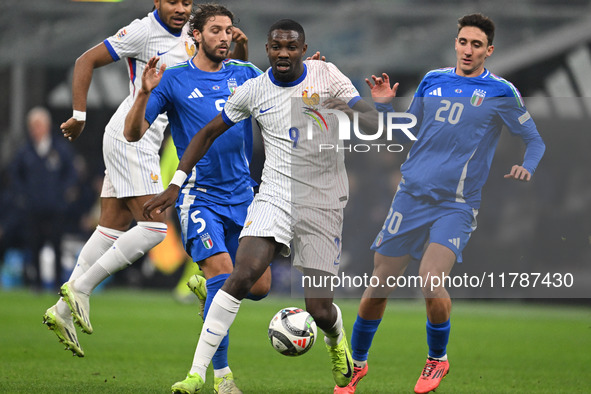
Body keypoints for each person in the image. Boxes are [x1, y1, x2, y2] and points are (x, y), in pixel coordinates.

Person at [143, 18, 383, 393]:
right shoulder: (254, 89)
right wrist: (176, 183)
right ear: (267, 50)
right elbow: (207, 133)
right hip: (273, 195)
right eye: (276, 47)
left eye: (290, 47)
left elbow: (367, 119)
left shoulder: (326, 74)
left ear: (303, 50)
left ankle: (337, 344)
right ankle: (197, 374)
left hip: (321, 201)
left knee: (319, 309)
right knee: (241, 276)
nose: (283, 53)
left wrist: (368, 108)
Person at [336, 13, 546, 394]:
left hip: (456, 204)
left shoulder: (501, 91)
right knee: (379, 284)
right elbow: (406, 130)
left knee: (430, 280)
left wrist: (526, 165)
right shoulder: (433, 80)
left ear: (489, 50)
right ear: (456, 43)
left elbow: (535, 140)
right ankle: (358, 364)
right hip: (411, 196)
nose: (468, 50)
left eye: (477, 45)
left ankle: (437, 358)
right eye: (463, 42)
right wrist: (384, 107)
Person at [42, 0, 248, 358]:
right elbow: (84, 60)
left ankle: (61, 310)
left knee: (111, 227)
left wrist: (236, 44)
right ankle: (81, 289)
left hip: (144, 140)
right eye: (173, 1)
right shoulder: (142, 31)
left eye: (187, 1)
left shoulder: (195, 33)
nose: (181, 8)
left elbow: (229, 67)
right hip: (131, 137)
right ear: (157, 2)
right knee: (154, 228)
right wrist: (79, 113)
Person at [124, 4, 271, 393]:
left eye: (228, 30)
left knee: (258, 287)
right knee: (225, 275)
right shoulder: (173, 80)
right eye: (216, 31)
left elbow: (279, 89)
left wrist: (313, 75)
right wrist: (143, 93)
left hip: (244, 196)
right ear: (196, 36)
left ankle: (209, 290)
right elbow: (133, 133)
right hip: (198, 197)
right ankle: (220, 378)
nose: (224, 37)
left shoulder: (244, 73)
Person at [11, 107, 79, 291]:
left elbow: (71, 173)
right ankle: (36, 284)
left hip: (55, 207)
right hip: (33, 207)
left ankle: (58, 283)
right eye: (33, 126)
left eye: (39, 125)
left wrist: (63, 194)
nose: (36, 130)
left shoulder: (60, 149)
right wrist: (24, 195)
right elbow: (15, 176)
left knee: (57, 245)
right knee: (34, 245)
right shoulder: (24, 152)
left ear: (47, 126)